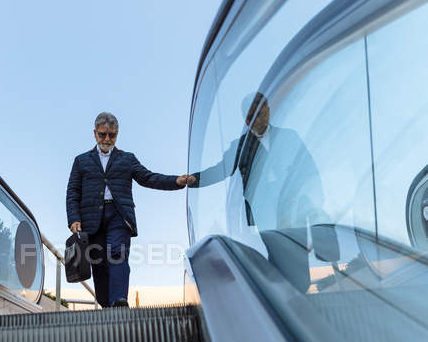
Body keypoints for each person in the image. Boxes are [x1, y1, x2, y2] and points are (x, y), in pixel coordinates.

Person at [191, 92, 337, 293]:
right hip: (265, 213)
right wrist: (192, 180)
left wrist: (315, 201)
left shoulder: (289, 137)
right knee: (278, 255)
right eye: (248, 118)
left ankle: (296, 297)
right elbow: (221, 170)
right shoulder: (241, 146)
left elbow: (308, 169)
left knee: (298, 257)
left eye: (257, 114)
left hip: (294, 210)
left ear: (267, 110)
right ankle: (285, 299)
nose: (252, 121)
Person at [66, 112, 193, 307]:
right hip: (91, 220)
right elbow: (73, 192)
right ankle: (107, 304)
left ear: (117, 135)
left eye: (112, 135)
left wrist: (176, 181)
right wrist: (74, 218)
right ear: (94, 134)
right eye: (103, 135)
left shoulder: (127, 158)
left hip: (119, 215)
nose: (107, 139)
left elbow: (148, 177)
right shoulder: (81, 161)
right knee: (99, 263)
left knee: (117, 254)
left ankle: (119, 300)